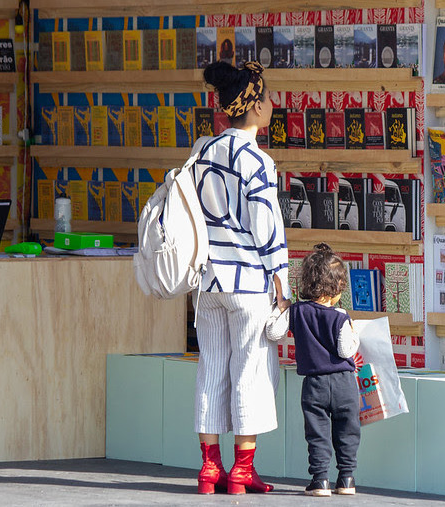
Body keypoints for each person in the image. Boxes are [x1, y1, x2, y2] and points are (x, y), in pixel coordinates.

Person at [194, 60, 290, 496]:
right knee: (249, 371)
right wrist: (282, 284)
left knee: (212, 369)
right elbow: (267, 228)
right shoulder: (257, 161)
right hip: (249, 282)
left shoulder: (202, 153)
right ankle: (240, 470)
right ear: (254, 108)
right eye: (267, 97)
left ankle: (209, 469)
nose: (271, 104)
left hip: (208, 283)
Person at [265, 243, 361, 497]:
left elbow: (273, 332)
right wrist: (355, 334)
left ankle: (320, 481)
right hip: (344, 384)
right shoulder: (340, 316)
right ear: (337, 287)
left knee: (317, 434)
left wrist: (281, 306)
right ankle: (347, 479)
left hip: (314, 385)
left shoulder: (297, 311)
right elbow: (345, 351)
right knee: (347, 432)